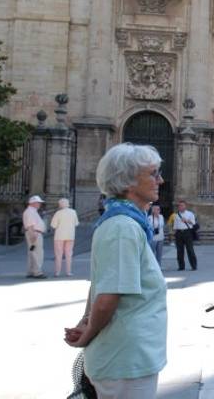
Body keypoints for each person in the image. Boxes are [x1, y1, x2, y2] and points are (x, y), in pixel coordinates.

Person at [64, 143, 167, 399]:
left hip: (127, 355)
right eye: (153, 173)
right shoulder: (123, 227)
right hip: (125, 359)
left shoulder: (125, 222)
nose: (161, 180)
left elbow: (100, 283)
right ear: (128, 181)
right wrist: (88, 332)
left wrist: (86, 320)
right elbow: (108, 296)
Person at [50, 198, 79, 277]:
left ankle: (57, 272)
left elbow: (53, 225)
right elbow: (76, 223)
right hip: (70, 235)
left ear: (60, 205)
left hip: (59, 236)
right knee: (69, 254)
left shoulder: (58, 213)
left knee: (58, 254)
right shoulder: (73, 212)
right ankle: (68, 271)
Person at [23, 195, 47, 279]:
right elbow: (30, 225)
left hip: (34, 233)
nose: (40, 204)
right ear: (34, 203)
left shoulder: (31, 211)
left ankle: (31, 271)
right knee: (37, 253)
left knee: (32, 252)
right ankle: (37, 272)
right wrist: (33, 235)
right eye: (38, 203)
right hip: (35, 234)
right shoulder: (30, 212)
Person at [172, 200, 197, 271]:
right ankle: (181, 266)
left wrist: (187, 220)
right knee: (179, 251)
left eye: (182, 205)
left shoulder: (190, 214)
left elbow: (193, 223)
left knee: (190, 250)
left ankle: (194, 265)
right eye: (179, 206)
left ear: (185, 206)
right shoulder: (176, 215)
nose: (180, 207)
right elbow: (175, 226)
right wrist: (175, 233)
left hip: (187, 232)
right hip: (179, 233)